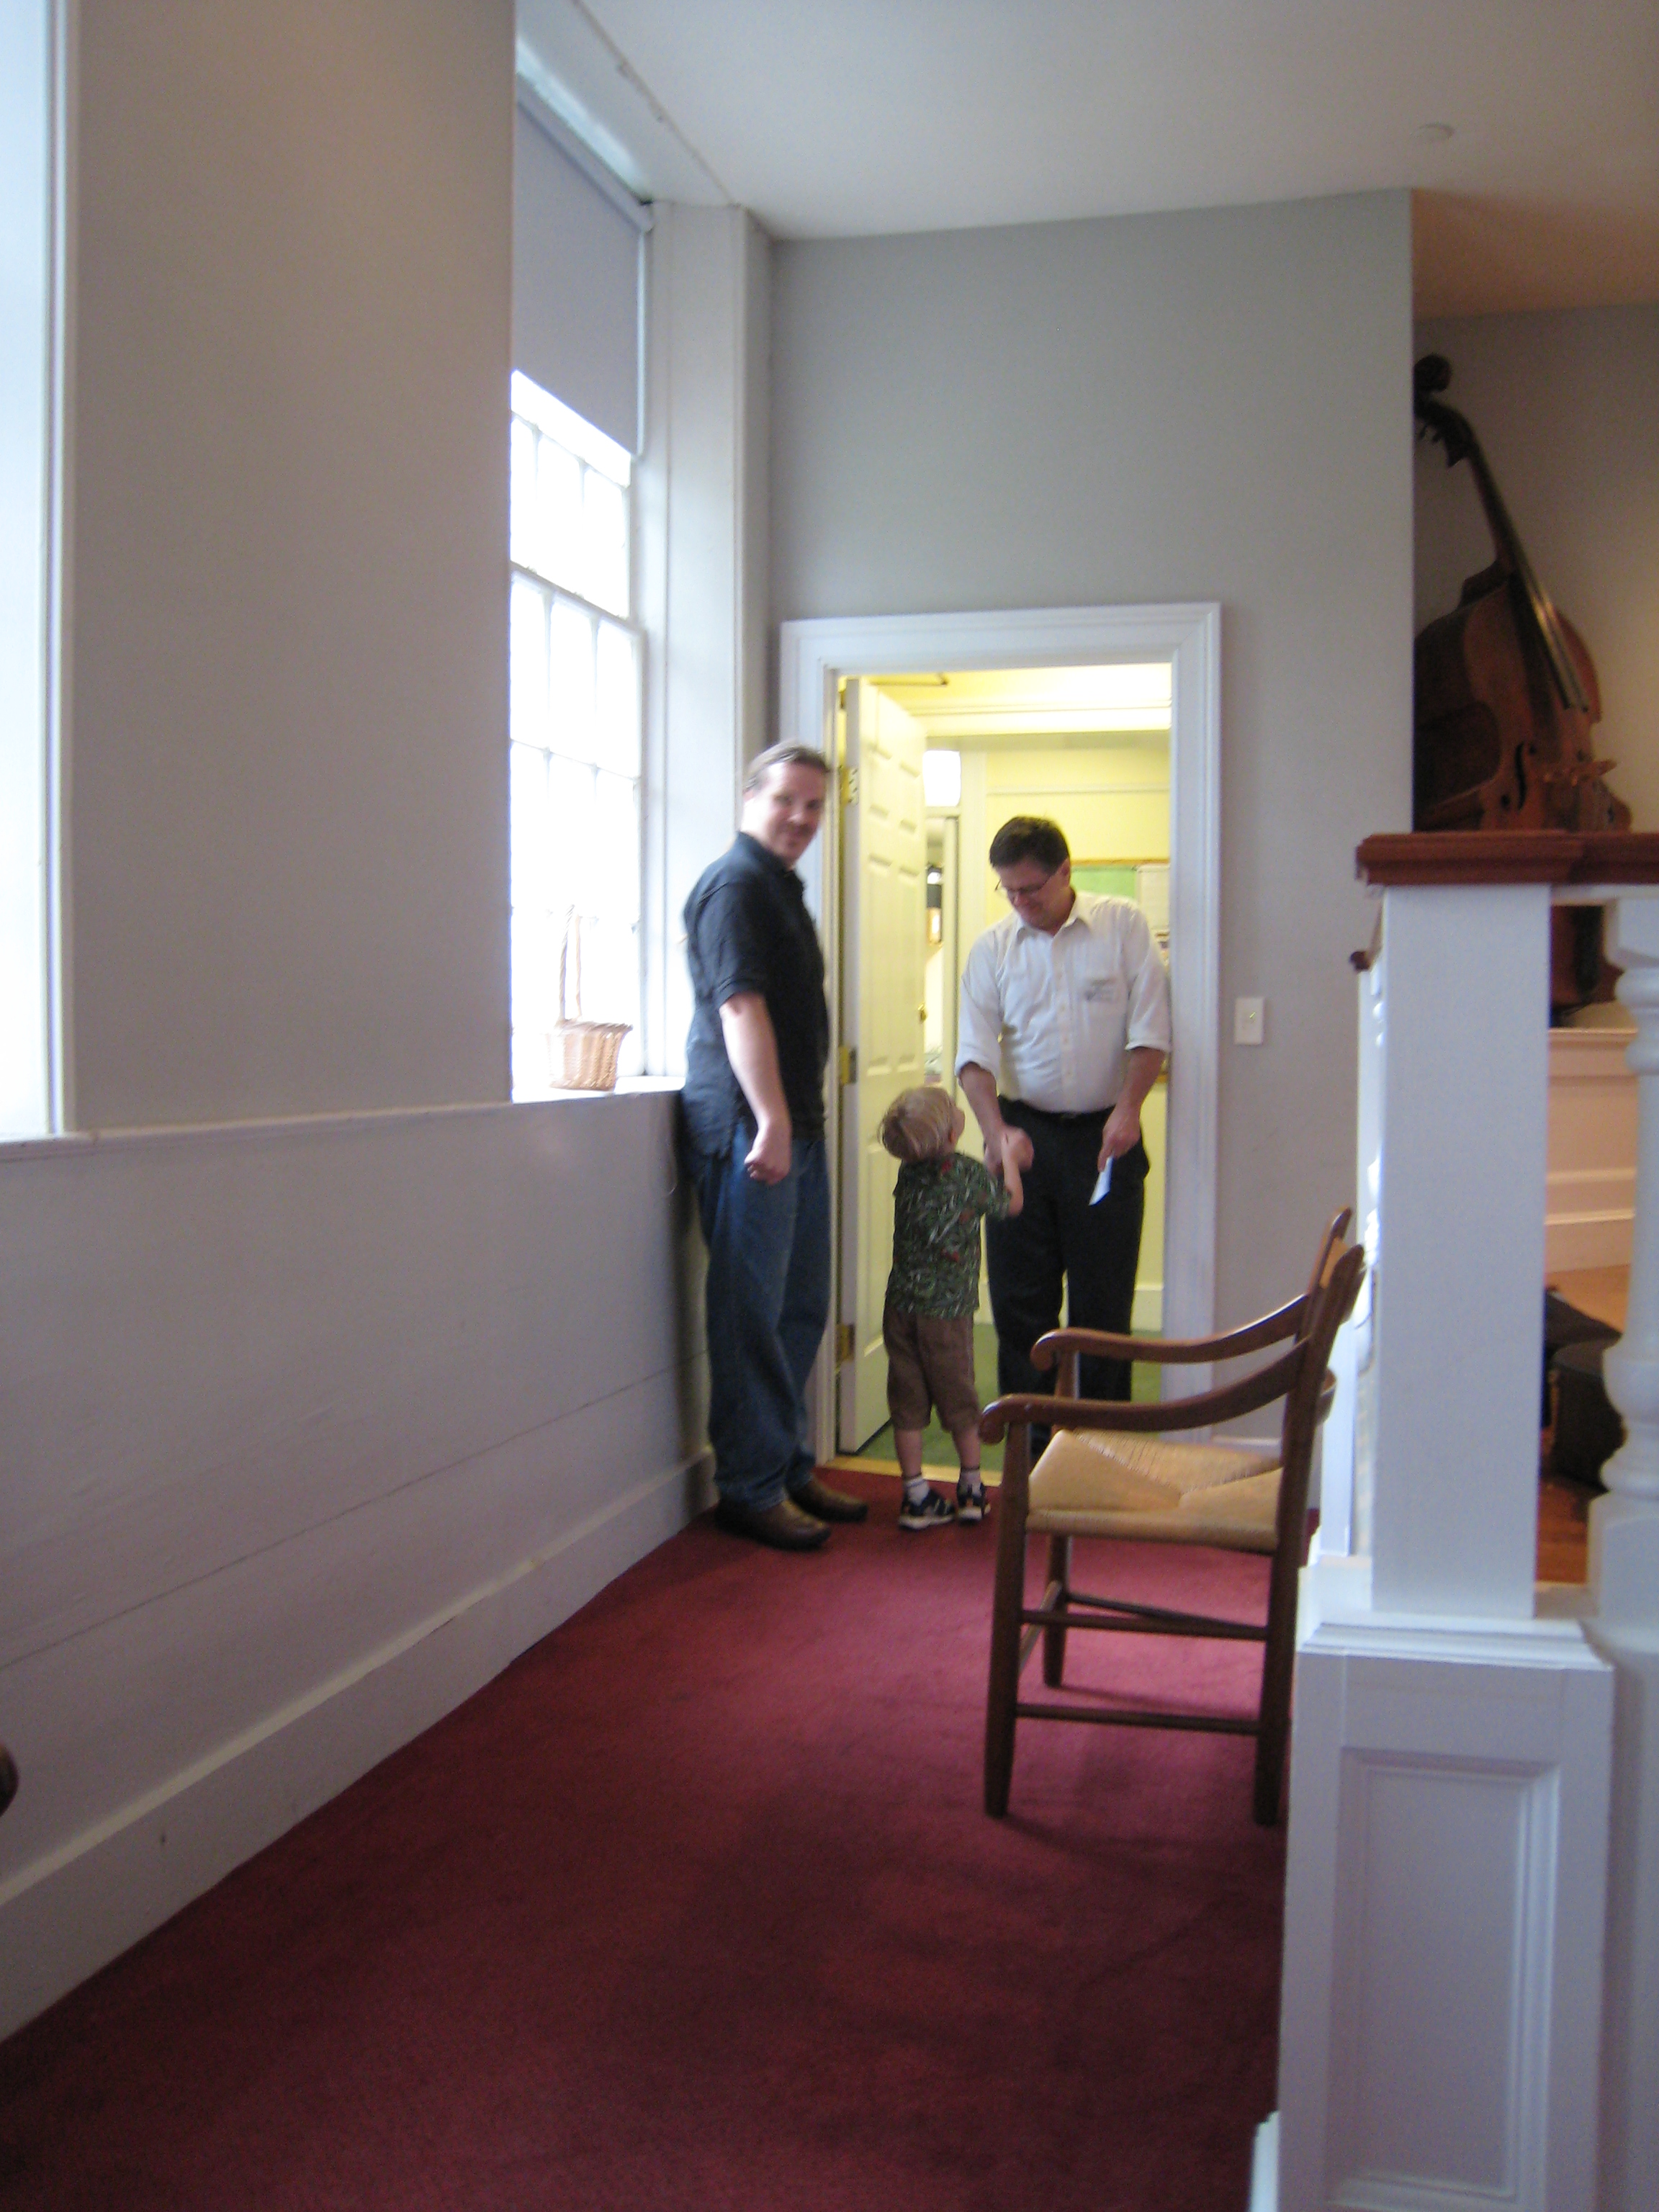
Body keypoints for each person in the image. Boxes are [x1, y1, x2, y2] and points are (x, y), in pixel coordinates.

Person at [682, 742, 870, 1552]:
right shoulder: (734, 886)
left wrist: (792, 1119)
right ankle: (749, 1488)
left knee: (800, 1306)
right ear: (749, 797)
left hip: (793, 1123)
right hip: (749, 1128)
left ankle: (787, 1465)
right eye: (786, 799)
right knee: (750, 1314)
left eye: (814, 805)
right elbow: (739, 1008)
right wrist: (770, 1120)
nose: (801, 817)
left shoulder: (779, 886)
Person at [956, 816, 1171, 1413]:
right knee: (1021, 1306)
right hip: (1022, 1139)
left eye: (1032, 889)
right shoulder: (993, 949)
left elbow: (1151, 1032)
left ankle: (1100, 1446)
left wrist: (1129, 1110)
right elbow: (974, 1055)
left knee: (1104, 1310)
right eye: (1009, 891)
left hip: (1107, 1138)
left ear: (1065, 872)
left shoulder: (1122, 926)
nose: (1020, 903)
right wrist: (995, 1134)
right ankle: (1030, 1450)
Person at [878, 1084, 1022, 1529]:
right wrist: (1008, 1158)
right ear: (950, 1135)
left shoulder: (908, 1173)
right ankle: (972, 1489)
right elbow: (1011, 1203)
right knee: (959, 1397)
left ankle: (915, 1495)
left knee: (907, 1401)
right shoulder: (966, 1174)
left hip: (901, 1308)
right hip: (947, 1312)